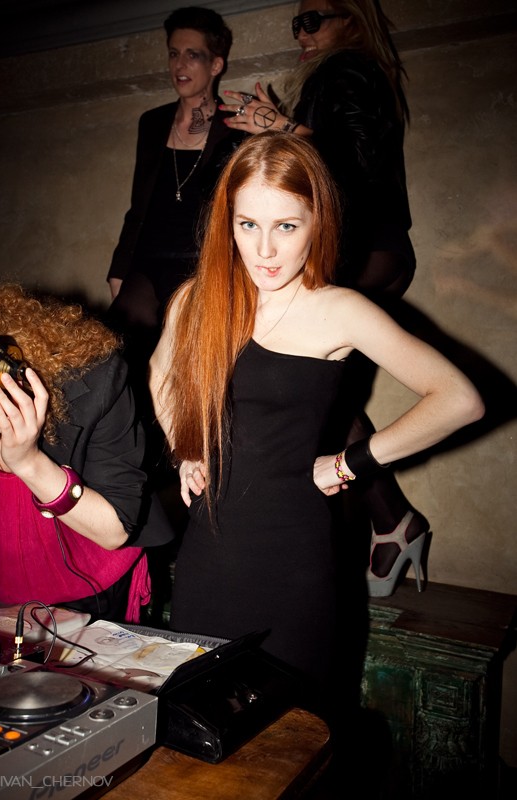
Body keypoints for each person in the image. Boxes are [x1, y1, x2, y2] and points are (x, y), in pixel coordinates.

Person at [148, 133, 484, 716]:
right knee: (202, 734)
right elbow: (160, 373)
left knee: (294, 739)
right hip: (207, 561)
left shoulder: (339, 310)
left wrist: (350, 463)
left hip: (293, 565)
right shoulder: (196, 300)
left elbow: (458, 399)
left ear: (316, 221)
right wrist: (186, 448)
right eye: (248, 224)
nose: (265, 249)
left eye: (286, 226)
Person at [219, 0, 426, 595]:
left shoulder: (348, 68)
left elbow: (349, 165)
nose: (301, 31)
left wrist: (279, 129)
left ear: (351, 19)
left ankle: (392, 520)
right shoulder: (344, 75)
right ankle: (391, 522)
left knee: (310, 387)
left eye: (315, 19)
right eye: (297, 22)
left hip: (366, 244)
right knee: (323, 390)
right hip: (374, 244)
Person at [0, 283, 174, 623]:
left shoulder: (95, 382)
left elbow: (114, 530)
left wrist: (28, 463)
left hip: (90, 588)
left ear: (6, 379)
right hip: (0, 587)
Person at [107, 6, 245, 366]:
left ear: (216, 65)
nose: (179, 65)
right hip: (148, 262)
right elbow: (139, 206)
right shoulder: (152, 123)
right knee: (117, 357)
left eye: (192, 55)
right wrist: (119, 270)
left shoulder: (236, 126)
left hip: (202, 264)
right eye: (173, 54)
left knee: (191, 366)